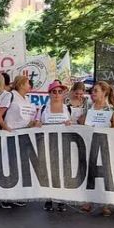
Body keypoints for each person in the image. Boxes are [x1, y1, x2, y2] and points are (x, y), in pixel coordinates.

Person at [78, 81, 114, 216]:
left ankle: (106, 203)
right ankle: (89, 201)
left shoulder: (112, 109)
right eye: (92, 91)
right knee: (90, 172)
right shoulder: (89, 107)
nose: (93, 93)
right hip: (90, 143)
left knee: (105, 174)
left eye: (96, 91)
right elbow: (82, 123)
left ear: (104, 92)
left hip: (105, 145)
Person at [39, 80, 72, 212]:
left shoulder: (67, 108)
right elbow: (37, 123)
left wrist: (70, 124)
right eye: (54, 92)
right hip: (48, 144)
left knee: (62, 173)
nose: (57, 94)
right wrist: (37, 125)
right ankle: (49, 198)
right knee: (49, 172)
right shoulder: (43, 109)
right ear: (50, 94)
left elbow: (73, 125)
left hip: (63, 144)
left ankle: (61, 199)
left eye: (60, 92)